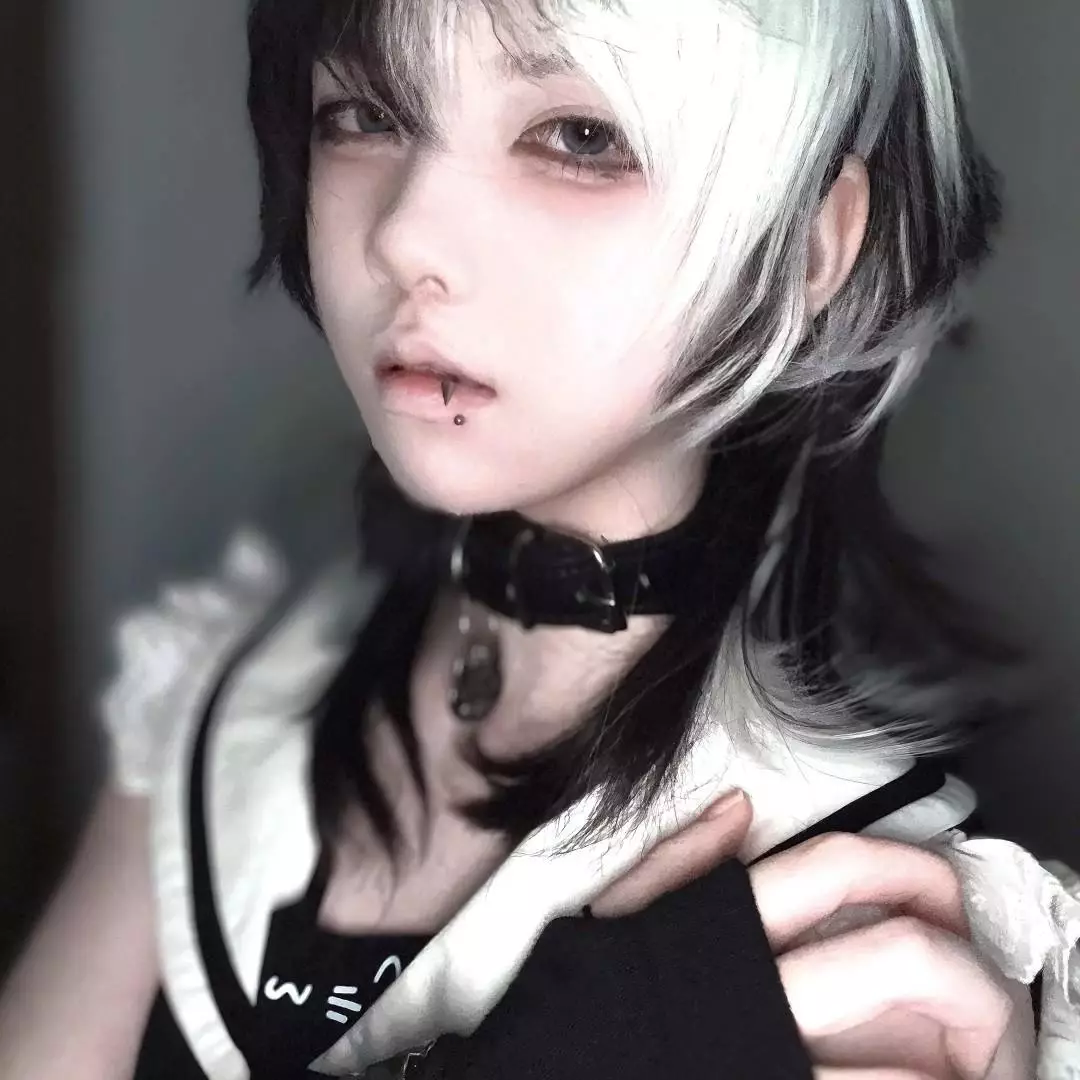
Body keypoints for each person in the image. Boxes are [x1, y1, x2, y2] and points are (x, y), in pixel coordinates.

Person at [1, 0, 1077, 1076]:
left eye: (579, 137)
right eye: (365, 113)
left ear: (808, 242)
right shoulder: (230, 701)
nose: (403, 237)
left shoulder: (865, 922)